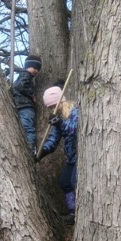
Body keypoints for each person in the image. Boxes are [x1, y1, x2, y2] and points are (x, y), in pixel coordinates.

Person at [37, 86, 78, 224]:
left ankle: (81, 213)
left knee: (74, 182)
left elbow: (75, 129)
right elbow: (54, 139)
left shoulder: (75, 112)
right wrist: (43, 151)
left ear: (61, 101)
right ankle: (73, 213)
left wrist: (60, 123)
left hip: (80, 157)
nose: (52, 109)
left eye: (54, 105)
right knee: (64, 181)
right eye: (50, 107)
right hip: (71, 157)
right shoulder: (58, 118)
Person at [11, 55, 42, 155]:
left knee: (27, 127)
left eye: (38, 69)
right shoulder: (25, 74)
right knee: (27, 128)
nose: (36, 71)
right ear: (28, 66)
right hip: (25, 106)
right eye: (35, 68)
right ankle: (31, 146)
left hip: (24, 107)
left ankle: (31, 147)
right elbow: (20, 86)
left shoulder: (24, 75)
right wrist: (32, 95)